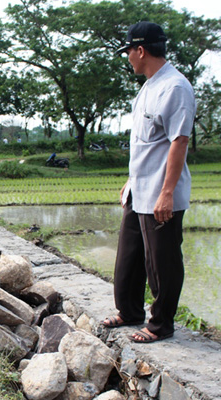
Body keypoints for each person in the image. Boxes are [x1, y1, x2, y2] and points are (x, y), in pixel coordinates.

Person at [102, 22, 195, 343]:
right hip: (138, 191)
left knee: (162, 262)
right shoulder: (148, 86)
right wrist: (131, 181)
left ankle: (161, 325)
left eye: (128, 51)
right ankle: (129, 311)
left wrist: (167, 193)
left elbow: (179, 141)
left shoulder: (175, 88)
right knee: (129, 258)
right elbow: (147, 143)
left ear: (140, 50)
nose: (127, 57)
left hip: (160, 194)